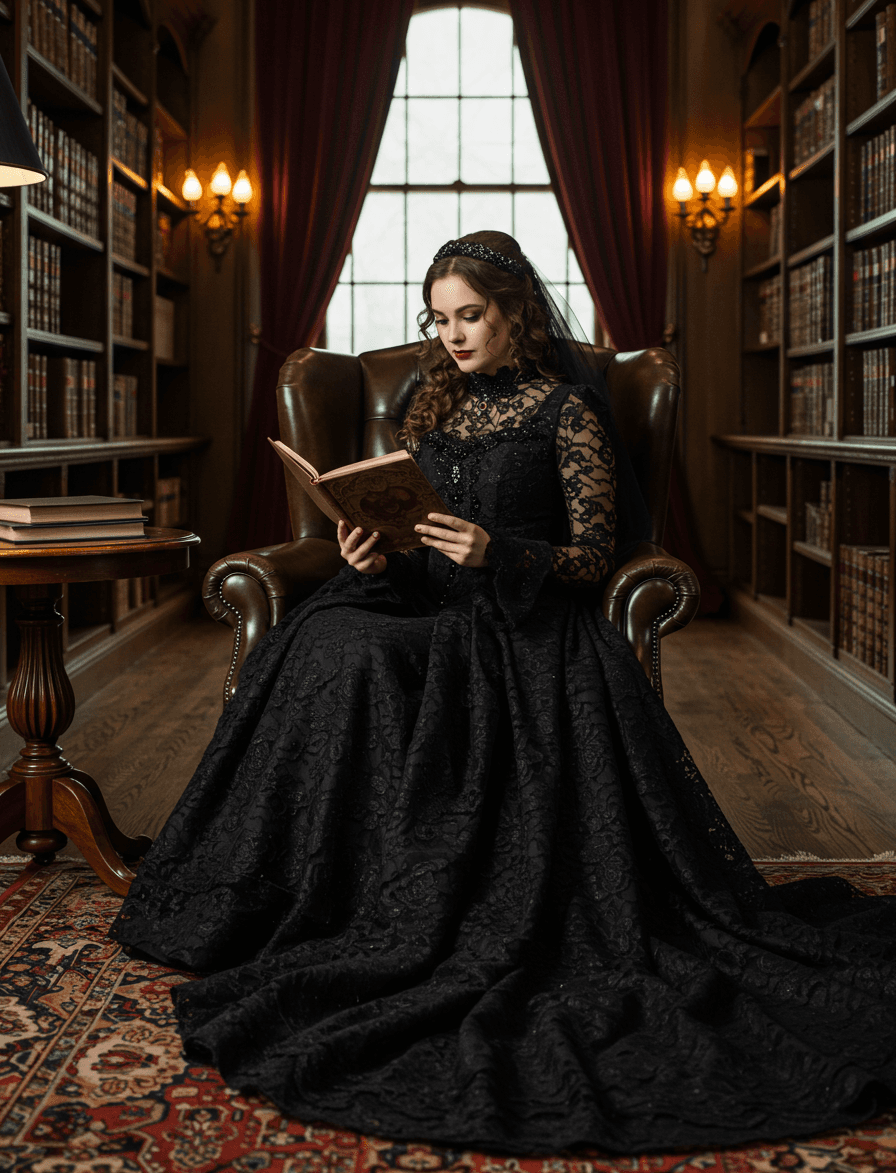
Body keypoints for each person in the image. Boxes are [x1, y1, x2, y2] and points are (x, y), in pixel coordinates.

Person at [110, 231, 896, 1156]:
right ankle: (311, 890)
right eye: (439, 318)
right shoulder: (429, 403)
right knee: (325, 639)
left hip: (523, 615)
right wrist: (368, 545)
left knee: (379, 655)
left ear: (514, 311)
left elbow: (598, 555)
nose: (452, 334)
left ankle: (429, 898)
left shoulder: (567, 411)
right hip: (419, 596)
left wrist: (500, 553)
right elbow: (406, 522)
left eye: (470, 315)